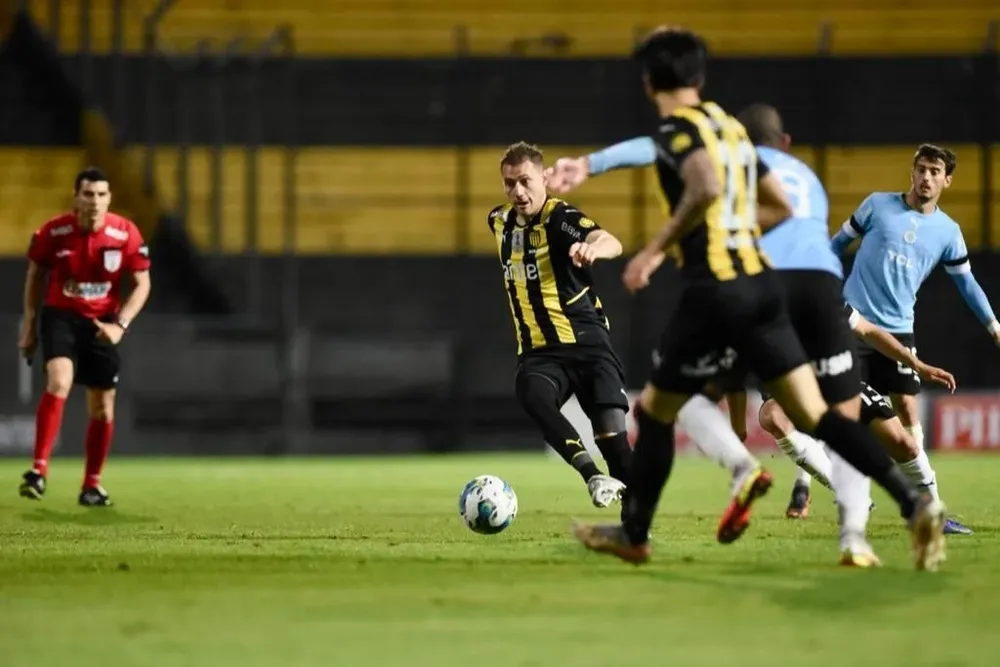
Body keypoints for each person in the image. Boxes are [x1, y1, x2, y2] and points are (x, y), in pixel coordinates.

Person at [545, 28, 946, 571]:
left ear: (647, 81)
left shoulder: (680, 129)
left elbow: (704, 184)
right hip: (762, 287)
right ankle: (915, 501)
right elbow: (779, 207)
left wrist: (656, 249)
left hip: (714, 293)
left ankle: (634, 534)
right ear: (699, 78)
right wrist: (731, 225)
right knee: (819, 415)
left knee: (654, 408)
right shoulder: (727, 127)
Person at [831, 145, 999, 520]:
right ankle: (845, 490)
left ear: (947, 180)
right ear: (912, 171)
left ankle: (931, 502)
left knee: (907, 408)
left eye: (934, 171)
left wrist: (993, 326)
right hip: (854, 324)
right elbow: (837, 245)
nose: (926, 177)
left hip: (898, 329)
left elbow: (967, 284)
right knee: (844, 408)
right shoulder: (876, 205)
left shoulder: (948, 232)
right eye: (921, 169)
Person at [489, 142, 632, 509]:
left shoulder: (560, 217)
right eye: (509, 184)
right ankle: (591, 475)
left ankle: (636, 527)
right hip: (541, 353)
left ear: (544, 179)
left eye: (525, 181)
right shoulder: (498, 221)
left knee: (614, 443)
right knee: (533, 394)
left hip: (588, 346)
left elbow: (608, 240)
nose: (518, 192)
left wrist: (593, 249)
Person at [18, 167, 152, 507]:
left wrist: (120, 325)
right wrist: (30, 324)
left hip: (102, 322)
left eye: (101, 195)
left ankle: (91, 485)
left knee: (103, 409)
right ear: (76, 198)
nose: (94, 201)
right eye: (88, 194)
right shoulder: (54, 232)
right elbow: (35, 274)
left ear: (109, 198)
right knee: (59, 381)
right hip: (61, 316)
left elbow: (142, 283)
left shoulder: (125, 233)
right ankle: (38, 470)